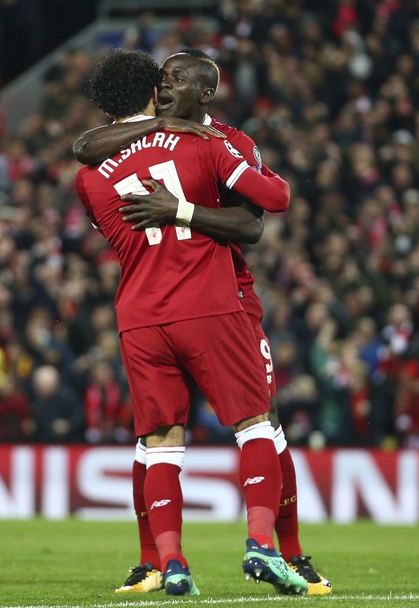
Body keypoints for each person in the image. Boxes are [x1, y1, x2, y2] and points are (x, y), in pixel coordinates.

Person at [74, 48, 332, 596]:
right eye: (160, 81)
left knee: (160, 441)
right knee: (257, 423)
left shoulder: (99, 171)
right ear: (150, 92)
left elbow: (251, 222)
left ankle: (191, 560)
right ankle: (259, 548)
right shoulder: (207, 147)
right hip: (213, 299)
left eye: (175, 80)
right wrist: (186, 202)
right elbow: (264, 212)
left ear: (204, 91)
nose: (167, 88)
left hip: (146, 310)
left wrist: (179, 208)